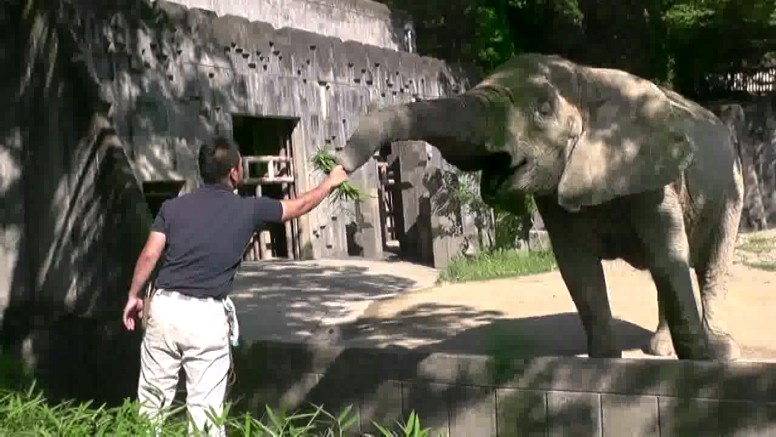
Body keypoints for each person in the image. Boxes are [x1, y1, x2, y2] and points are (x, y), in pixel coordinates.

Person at [121, 136, 348, 435]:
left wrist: (134, 296)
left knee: (151, 406)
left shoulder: (171, 208)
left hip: (164, 309)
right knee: (205, 415)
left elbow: (150, 253)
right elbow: (300, 205)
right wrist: (329, 183)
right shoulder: (249, 209)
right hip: (206, 318)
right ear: (234, 173)